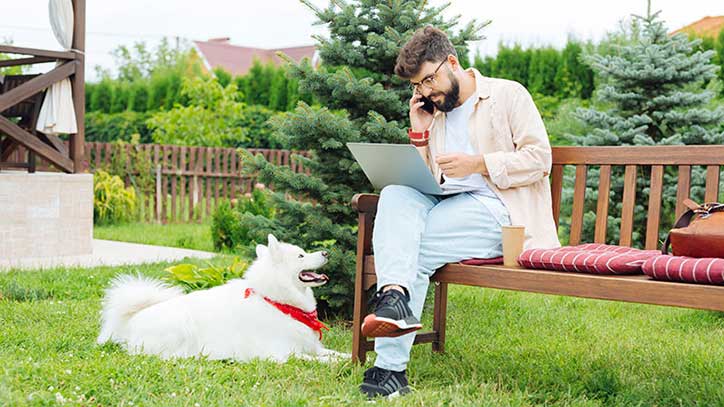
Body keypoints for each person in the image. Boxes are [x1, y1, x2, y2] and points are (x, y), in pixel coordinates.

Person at [358, 26, 561, 399]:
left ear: (452, 62)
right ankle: (395, 298)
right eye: (418, 87)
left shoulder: (506, 95)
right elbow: (427, 178)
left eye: (429, 80)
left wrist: (478, 163)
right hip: (447, 204)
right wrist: (419, 133)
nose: (426, 93)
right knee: (396, 193)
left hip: (500, 211)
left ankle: (389, 369)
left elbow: (539, 160)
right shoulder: (435, 112)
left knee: (412, 250)